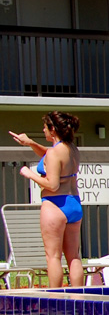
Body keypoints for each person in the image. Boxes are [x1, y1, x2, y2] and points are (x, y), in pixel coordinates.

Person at [10, 112, 84, 287]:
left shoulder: (54, 153)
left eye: (45, 127)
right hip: (73, 203)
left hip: (55, 205)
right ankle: (81, 299)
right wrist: (30, 143)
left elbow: (52, 184)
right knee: (74, 256)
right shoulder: (72, 149)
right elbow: (50, 157)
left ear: (53, 129)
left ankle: (55, 299)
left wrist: (30, 174)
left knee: (53, 256)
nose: (43, 130)